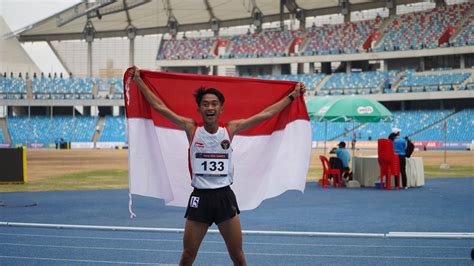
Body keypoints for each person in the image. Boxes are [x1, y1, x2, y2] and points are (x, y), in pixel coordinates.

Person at [129, 66, 305, 266]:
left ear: (221, 108)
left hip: (224, 197)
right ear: (199, 109)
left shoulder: (230, 129)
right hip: (200, 198)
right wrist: (139, 82)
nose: (210, 107)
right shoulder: (190, 128)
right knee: (188, 255)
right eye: (205, 104)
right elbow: (160, 107)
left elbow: (266, 114)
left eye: (214, 104)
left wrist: (292, 96)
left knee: (237, 255)